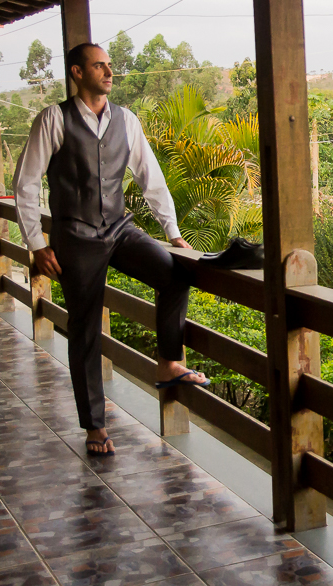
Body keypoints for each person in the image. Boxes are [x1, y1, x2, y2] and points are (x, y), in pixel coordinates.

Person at [13, 43, 209, 457]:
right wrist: (36, 243)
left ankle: (169, 361)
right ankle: (95, 426)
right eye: (98, 65)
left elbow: (150, 177)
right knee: (85, 329)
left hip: (119, 228)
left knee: (173, 272)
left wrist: (172, 233)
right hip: (76, 237)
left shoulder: (126, 120)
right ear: (77, 73)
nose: (108, 71)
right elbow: (26, 184)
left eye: (109, 65)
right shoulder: (54, 119)